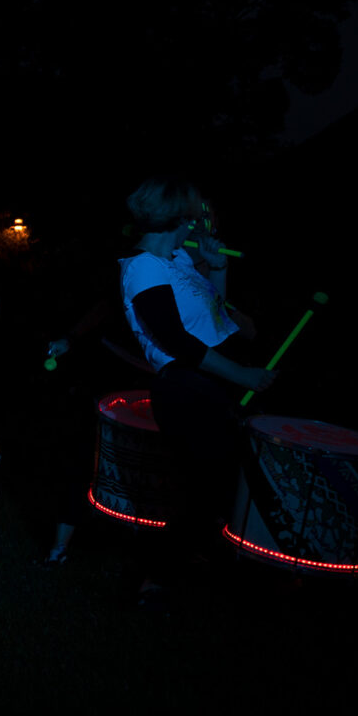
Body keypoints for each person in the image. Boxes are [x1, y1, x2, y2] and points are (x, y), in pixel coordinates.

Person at [118, 177, 273, 609]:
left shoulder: (175, 262)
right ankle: (156, 578)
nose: (197, 225)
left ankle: (194, 563)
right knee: (204, 489)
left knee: (219, 486)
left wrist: (217, 270)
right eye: (192, 217)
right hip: (185, 389)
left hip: (209, 384)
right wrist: (242, 375)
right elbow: (177, 342)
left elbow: (216, 319)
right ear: (176, 218)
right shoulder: (144, 266)